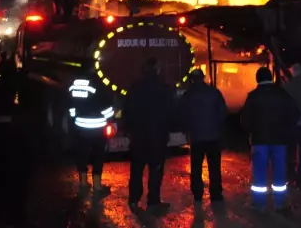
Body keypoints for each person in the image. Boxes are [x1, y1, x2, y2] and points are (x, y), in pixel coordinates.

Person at [241, 67, 300, 212]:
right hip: (280, 140)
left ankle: (259, 204)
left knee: (260, 173)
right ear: (271, 78)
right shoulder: (282, 94)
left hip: (259, 141)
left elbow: (245, 121)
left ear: (258, 79)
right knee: (279, 172)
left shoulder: (253, 96)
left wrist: (251, 131)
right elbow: (295, 114)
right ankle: (280, 203)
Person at [123, 58, 175, 214]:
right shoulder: (164, 88)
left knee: (137, 170)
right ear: (157, 70)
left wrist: (129, 130)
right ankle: (153, 202)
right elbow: (171, 112)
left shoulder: (135, 88)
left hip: (138, 138)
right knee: (155, 170)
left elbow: (127, 111)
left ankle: (133, 200)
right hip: (157, 137)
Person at [180, 69, 227, 204]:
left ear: (192, 79)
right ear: (203, 78)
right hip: (213, 137)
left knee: (196, 166)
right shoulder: (214, 93)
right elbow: (222, 112)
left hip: (196, 137)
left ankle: (197, 193)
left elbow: (182, 115)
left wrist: (186, 131)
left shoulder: (188, 95)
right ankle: (216, 193)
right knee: (214, 166)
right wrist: (219, 130)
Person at [68, 77, 114, 197]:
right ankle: (97, 186)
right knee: (98, 156)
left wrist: (74, 118)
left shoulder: (74, 85)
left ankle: (83, 183)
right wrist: (111, 117)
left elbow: (71, 106)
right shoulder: (96, 84)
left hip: (80, 128)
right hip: (97, 129)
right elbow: (106, 107)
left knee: (82, 155)